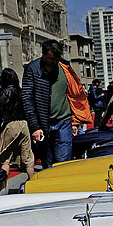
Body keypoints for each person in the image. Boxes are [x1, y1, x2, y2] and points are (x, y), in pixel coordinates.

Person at [22, 39, 93, 169]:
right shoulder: (32, 69)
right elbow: (27, 99)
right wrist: (35, 127)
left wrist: (75, 121)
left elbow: (74, 94)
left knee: (64, 162)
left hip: (64, 121)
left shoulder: (65, 68)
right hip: (43, 124)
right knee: (48, 163)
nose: (54, 62)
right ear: (43, 55)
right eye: (51, 59)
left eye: (56, 58)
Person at [0, 68, 35, 179]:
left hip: (10, 125)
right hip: (24, 124)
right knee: (27, 156)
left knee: (4, 158)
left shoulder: (3, 92)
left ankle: (3, 188)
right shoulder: (21, 91)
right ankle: (33, 182)